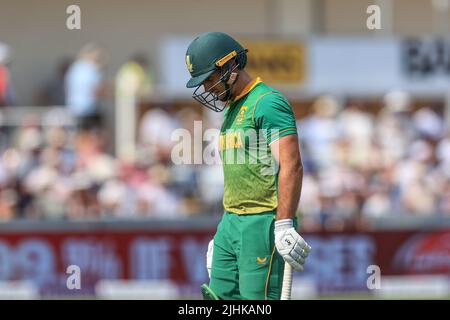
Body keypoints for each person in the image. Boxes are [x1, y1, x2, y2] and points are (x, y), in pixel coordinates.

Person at [185, 32, 311, 300]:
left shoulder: (267, 102)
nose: (207, 88)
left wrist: (284, 223)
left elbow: (292, 164)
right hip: (231, 220)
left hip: (262, 220)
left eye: (209, 79)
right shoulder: (232, 108)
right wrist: (225, 231)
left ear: (230, 65)